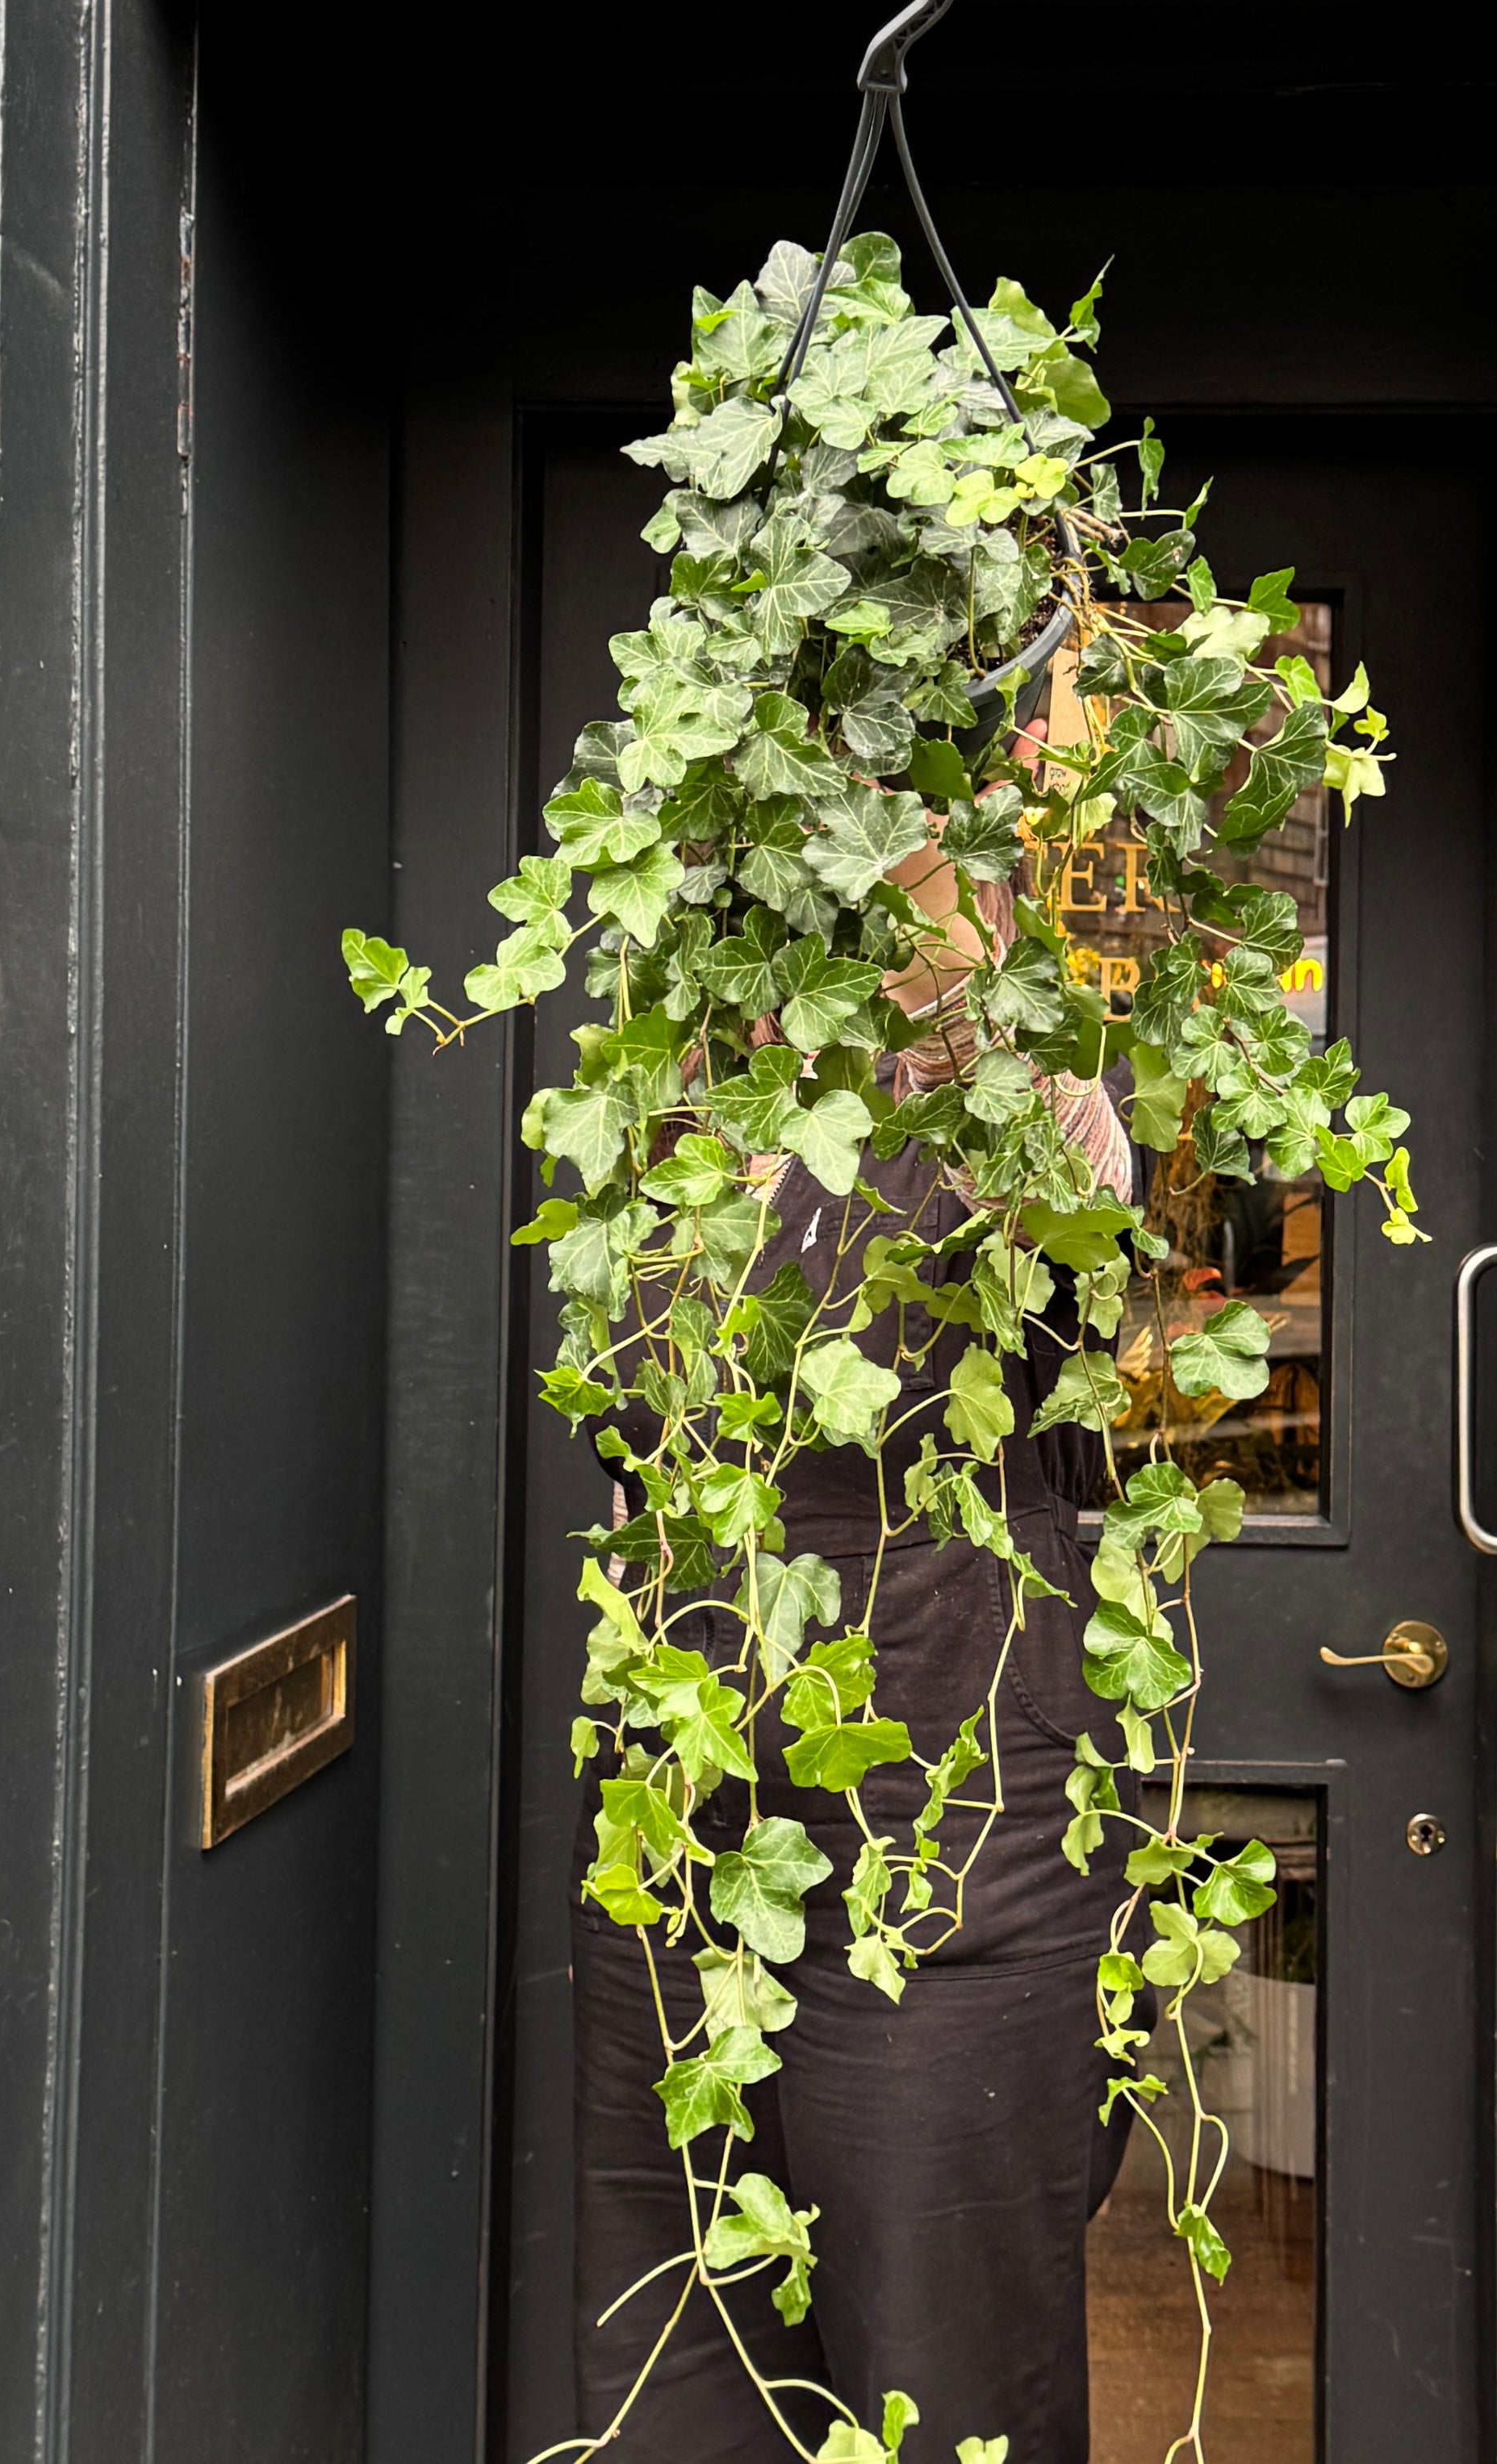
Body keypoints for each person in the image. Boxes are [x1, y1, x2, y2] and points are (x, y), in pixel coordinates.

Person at [573, 832, 1138, 2462]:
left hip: (941, 1859)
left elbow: (1079, 1271)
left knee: (942, 2370)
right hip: (676, 1848)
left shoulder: (1006, 1097)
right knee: (677, 2368)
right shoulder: (672, 1097)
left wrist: (959, 986)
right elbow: (618, 1389)